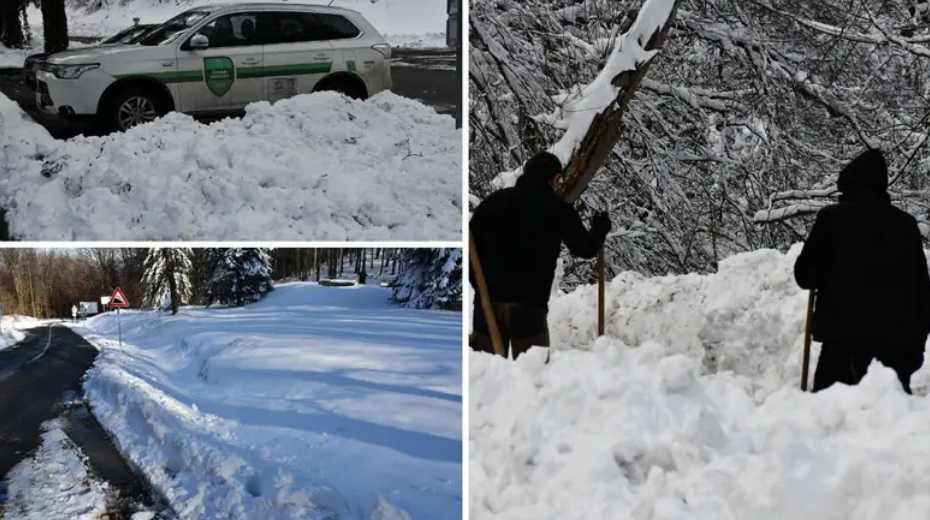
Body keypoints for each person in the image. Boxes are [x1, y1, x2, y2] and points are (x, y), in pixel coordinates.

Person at [794, 148, 930, 394]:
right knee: (890, 420)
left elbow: (806, 276)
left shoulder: (831, 219)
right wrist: (917, 343)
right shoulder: (906, 225)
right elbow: (922, 287)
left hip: (842, 344)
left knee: (832, 418)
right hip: (896, 345)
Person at [469, 151, 611, 360]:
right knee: (532, 379)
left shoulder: (492, 203)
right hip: (528, 309)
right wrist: (600, 229)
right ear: (554, 179)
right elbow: (585, 248)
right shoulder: (557, 209)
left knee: (484, 379)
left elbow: (470, 247)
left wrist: (479, 287)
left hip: (488, 305)